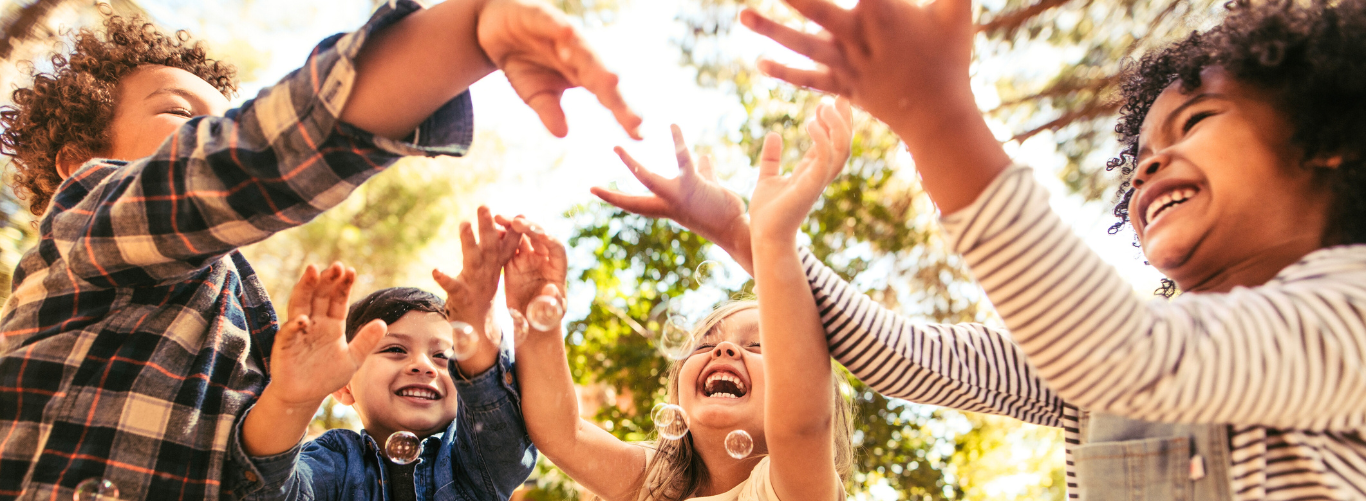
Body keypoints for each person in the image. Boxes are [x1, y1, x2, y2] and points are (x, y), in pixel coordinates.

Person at [596, 0, 1366, 499]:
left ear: (1324, 139)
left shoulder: (1351, 309)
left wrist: (938, 120)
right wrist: (753, 234)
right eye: (1140, 155)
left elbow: (1134, 354)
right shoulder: (1092, 358)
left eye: (1194, 122)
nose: (1151, 164)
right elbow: (906, 355)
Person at [0, 0, 640, 498]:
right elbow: (239, 164)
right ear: (81, 159)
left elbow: (245, 475)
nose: (211, 132)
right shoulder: (88, 222)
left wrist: (292, 397)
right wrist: (463, 35)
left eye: (222, 117)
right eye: (180, 111)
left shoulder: (241, 313)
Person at [503, 104, 854, 501]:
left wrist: (760, 238)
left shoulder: (791, 487)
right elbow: (564, 433)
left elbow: (802, 423)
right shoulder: (654, 482)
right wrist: (536, 313)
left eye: (759, 345)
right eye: (704, 343)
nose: (724, 348)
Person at [238, 207, 533, 500]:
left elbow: (500, 431)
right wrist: (293, 401)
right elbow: (265, 490)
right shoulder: (333, 460)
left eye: (443, 357)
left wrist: (479, 328)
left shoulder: (477, 463)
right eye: (395, 349)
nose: (422, 365)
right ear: (342, 385)